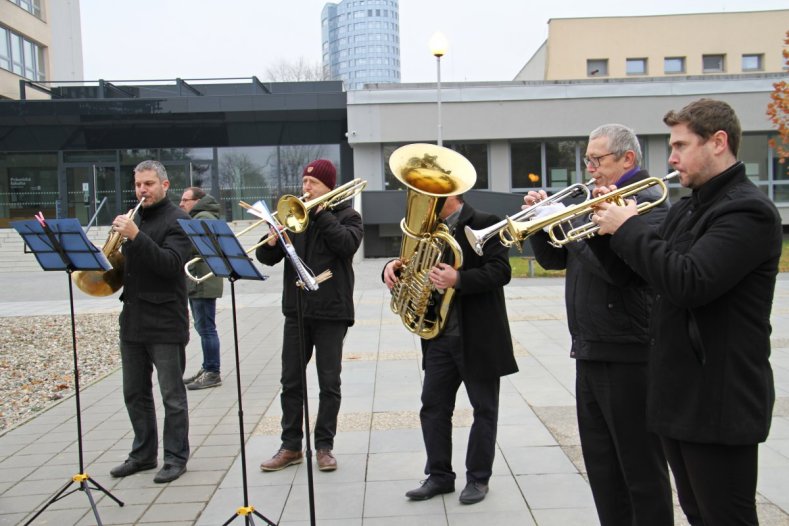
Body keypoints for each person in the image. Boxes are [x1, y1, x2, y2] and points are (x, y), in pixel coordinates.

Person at [592, 99, 782, 525]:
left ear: (718, 142)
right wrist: (598, 229)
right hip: (678, 395)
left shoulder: (746, 211)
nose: (672, 158)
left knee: (725, 516)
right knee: (697, 513)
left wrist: (629, 227)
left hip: (719, 398)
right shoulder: (687, 207)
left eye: (680, 145)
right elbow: (635, 277)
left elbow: (689, 282)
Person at [523, 124, 673, 525]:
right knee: (603, 467)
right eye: (587, 159)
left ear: (627, 158)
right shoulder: (595, 200)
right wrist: (540, 223)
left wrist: (571, 229)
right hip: (590, 346)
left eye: (596, 159)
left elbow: (619, 273)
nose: (589, 168)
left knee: (640, 468)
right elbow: (555, 259)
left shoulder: (647, 203)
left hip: (629, 351)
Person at [383, 194, 518, 505]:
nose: (424, 198)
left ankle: (478, 478)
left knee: (484, 409)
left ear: (452, 192)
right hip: (439, 335)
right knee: (433, 407)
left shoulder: (486, 222)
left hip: (479, 335)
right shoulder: (428, 230)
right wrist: (391, 268)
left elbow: (501, 271)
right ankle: (439, 476)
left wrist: (459, 278)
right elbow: (410, 267)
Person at [256, 159, 363, 473]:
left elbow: (346, 245)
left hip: (332, 311)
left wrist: (321, 214)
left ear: (329, 186)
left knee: (329, 382)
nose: (306, 188)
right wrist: (271, 240)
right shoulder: (293, 216)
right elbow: (266, 258)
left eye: (313, 183)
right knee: (290, 381)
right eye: (304, 181)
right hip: (297, 310)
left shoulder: (348, 216)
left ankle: (324, 446)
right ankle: (290, 446)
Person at [109, 160, 193, 484]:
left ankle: (175, 458)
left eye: (149, 184)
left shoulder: (179, 220)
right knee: (134, 392)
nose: (142, 190)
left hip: (165, 321)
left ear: (165, 185)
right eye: (138, 185)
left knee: (172, 396)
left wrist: (136, 236)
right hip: (133, 319)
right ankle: (143, 454)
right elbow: (128, 268)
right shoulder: (136, 218)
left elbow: (170, 264)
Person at [180, 187, 224, 390]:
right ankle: (208, 367)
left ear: (197, 201)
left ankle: (212, 371)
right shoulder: (202, 216)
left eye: (185, 200)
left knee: (206, 328)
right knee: (204, 327)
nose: (181, 204)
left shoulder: (202, 218)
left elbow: (193, 246)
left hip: (202, 281)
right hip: (200, 279)